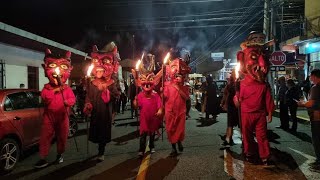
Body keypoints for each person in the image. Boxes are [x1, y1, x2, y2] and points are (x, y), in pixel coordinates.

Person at [234, 42, 275, 166]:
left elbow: (268, 99)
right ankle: (250, 153)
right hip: (246, 114)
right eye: (254, 57)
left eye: (263, 59)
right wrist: (237, 99)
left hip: (260, 114)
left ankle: (265, 156)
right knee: (246, 136)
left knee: (262, 136)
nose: (262, 65)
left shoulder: (264, 85)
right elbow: (237, 100)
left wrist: (270, 112)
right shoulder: (241, 84)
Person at [35, 49, 76, 168]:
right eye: (52, 65)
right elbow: (45, 98)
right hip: (49, 117)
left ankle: (60, 155)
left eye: (63, 66)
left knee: (62, 137)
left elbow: (72, 99)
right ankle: (43, 158)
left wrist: (67, 102)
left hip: (63, 117)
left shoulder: (67, 89)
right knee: (45, 137)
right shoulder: (46, 88)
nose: (57, 70)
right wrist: (56, 90)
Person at [83, 42, 120, 161]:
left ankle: (101, 151)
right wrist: (87, 103)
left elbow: (116, 95)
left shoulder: (111, 83)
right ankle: (99, 149)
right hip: (95, 111)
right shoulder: (92, 83)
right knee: (96, 131)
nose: (99, 67)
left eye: (106, 62)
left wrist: (106, 91)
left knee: (103, 131)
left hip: (105, 112)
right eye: (96, 61)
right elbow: (89, 95)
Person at [132, 68, 163, 157]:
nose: (147, 83)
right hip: (144, 118)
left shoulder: (155, 95)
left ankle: (151, 146)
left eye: (150, 79)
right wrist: (135, 102)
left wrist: (160, 110)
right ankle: (141, 150)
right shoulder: (140, 95)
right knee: (143, 135)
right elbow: (136, 105)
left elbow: (159, 105)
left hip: (153, 118)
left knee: (152, 133)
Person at [163, 58, 191, 156]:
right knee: (171, 129)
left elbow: (186, 97)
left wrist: (178, 88)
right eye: (176, 75)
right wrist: (162, 92)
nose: (178, 77)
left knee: (179, 129)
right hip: (170, 111)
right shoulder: (167, 85)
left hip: (180, 111)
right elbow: (165, 97)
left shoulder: (185, 86)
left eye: (180, 76)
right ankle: (173, 148)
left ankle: (179, 142)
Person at [297, 69, 320, 173]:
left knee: (317, 140)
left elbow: (311, 103)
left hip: (317, 118)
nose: (310, 78)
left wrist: (302, 103)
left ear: (315, 76)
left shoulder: (315, 88)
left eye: (311, 76)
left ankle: (319, 162)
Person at [220, 71, 239, 147]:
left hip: (234, 106)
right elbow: (226, 94)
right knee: (239, 124)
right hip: (237, 106)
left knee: (230, 123)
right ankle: (229, 138)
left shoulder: (231, 84)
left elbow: (225, 94)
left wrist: (223, 103)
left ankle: (228, 139)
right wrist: (223, 103)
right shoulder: (238, 84)